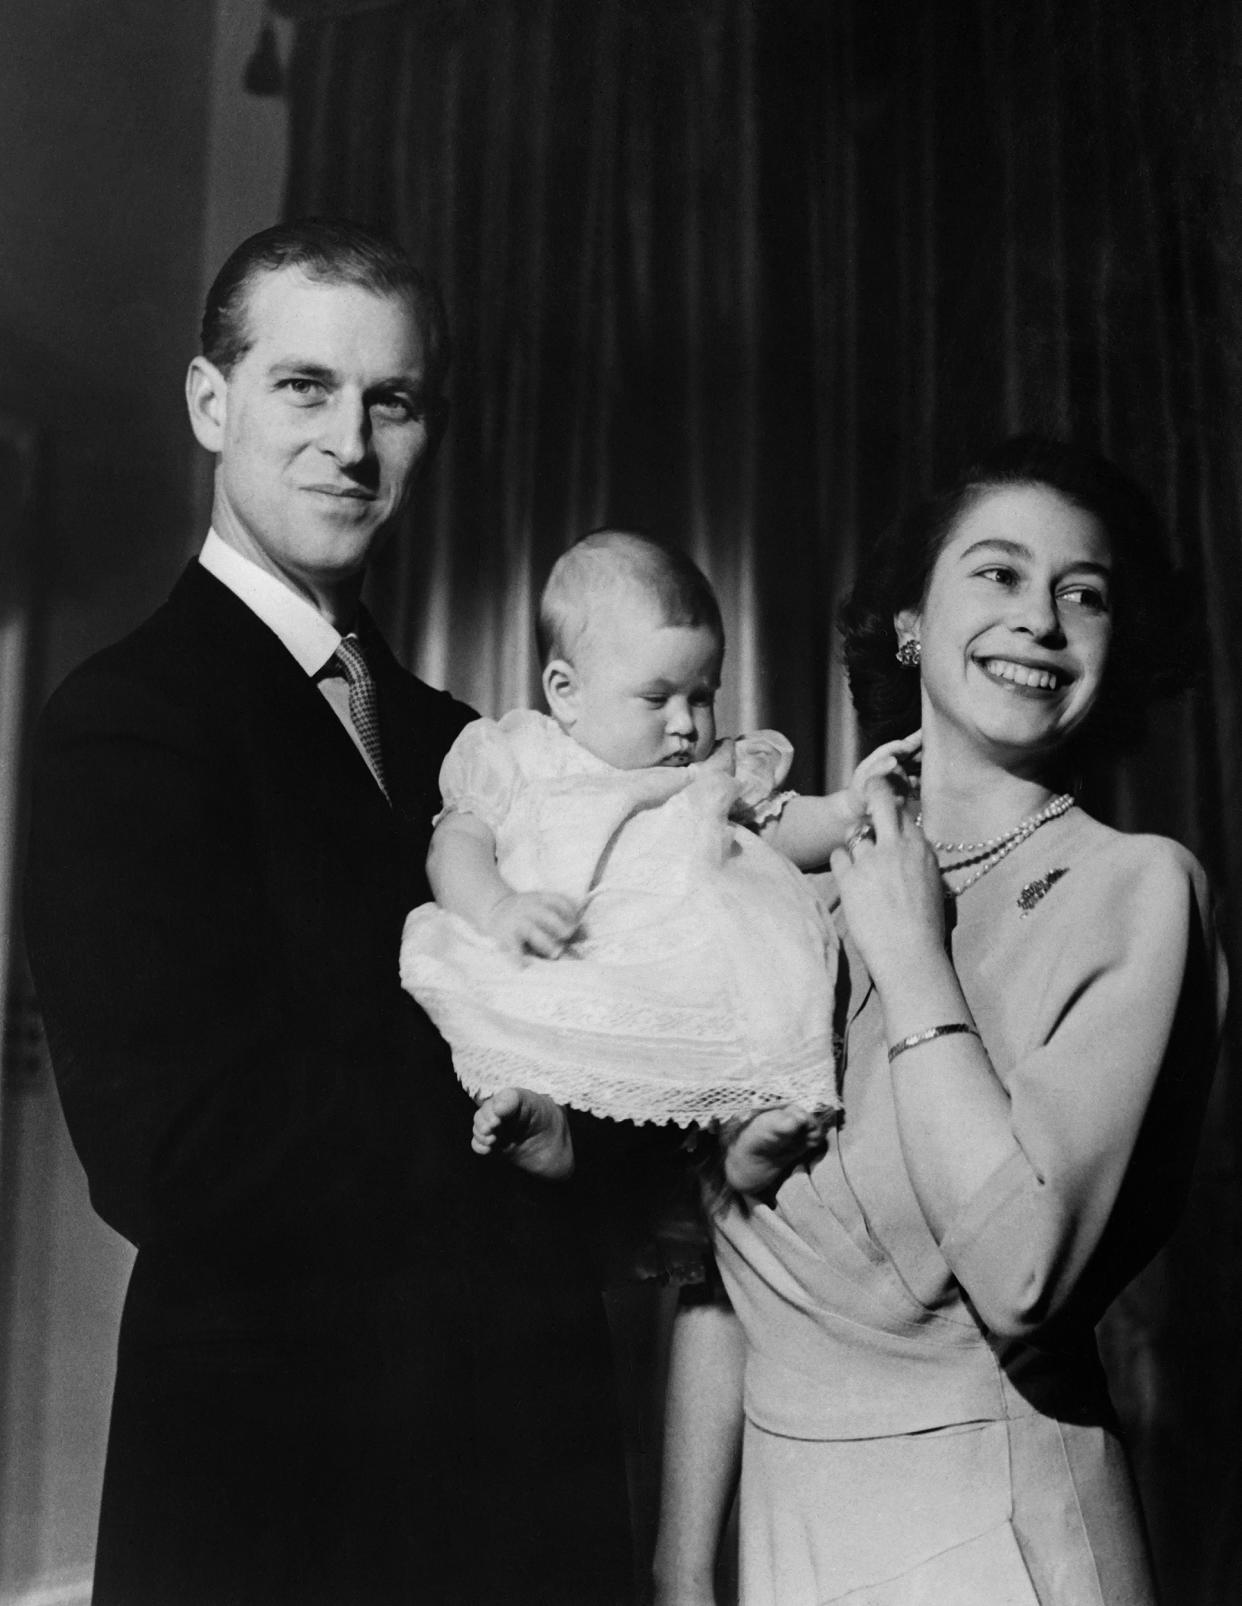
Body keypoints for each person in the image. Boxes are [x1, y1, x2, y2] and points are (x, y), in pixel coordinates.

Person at [23, 219, 640, 1606]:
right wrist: (513, 1118)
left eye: (393, 400)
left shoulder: (464, 745)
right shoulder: (126, 720)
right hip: (273, 1492)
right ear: (210, 402)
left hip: (515, 1475)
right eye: (304, 386)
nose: (349, 442)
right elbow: (167, 1150)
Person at [653, 435, 1226, 1605]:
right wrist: (677, 1566)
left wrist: (915, 960)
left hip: (998, 1527)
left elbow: (1021, 1276)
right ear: (910, 622)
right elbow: (709, 1261)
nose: (1042, 620)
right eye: (1000, 574)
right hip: (782, 1525)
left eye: (1085, 593)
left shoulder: (1140, 892)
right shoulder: (791, 884)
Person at [400, 530, 917, 1178]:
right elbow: (455, 844)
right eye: (657, 697)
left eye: (702, 696)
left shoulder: (706, 772)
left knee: (748, 992)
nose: (685, 723)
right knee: (486, 1002)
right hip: (561, 948)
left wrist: (847, 810)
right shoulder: (518, 755)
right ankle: (550, 1120)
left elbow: (778, 828)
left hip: (673, 956)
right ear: (566, 690)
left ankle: (741, 1131)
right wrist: (499, 907)